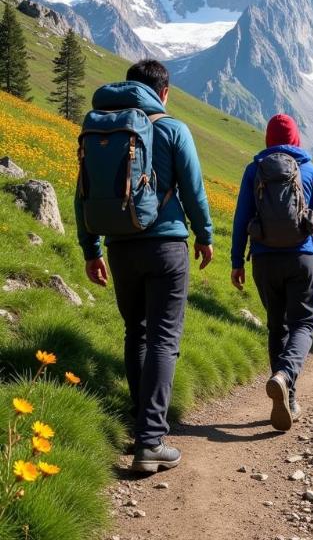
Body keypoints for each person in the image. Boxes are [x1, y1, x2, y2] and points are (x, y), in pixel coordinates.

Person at [77, 59, 214, 473]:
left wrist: (90, 249)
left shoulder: (101, 130)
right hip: (167, 247)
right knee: (163, 339)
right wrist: (205, 236)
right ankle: (151, 440)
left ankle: (142, 424)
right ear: (164, 92)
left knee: (135, 332)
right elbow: (193, 189)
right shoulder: (173, 128)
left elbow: (82, 192)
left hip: (120, 248)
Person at [230, 114, 313, 432]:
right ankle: (285, 376)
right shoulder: (309, 169)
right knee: (304, 323)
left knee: (277, 325)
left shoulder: (254, 170)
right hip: (303, 257)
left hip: (264, 259)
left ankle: (288, 400)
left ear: (268, 139)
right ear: (296, 138)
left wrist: (236, 261)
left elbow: (240, 217)